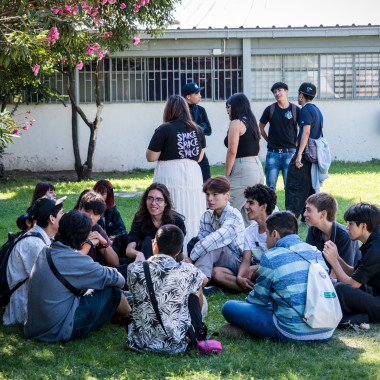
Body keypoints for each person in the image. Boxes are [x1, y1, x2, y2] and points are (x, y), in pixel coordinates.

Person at [221, 211, 335, 343]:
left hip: (292, 331)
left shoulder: (271, 256)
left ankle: (249, 330)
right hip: (325, 328)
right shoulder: (315, 252)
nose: (265, 240)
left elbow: (259, 300)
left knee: (229, 307)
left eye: (266, 235)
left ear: (274, 234)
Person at [24, 210, 130, 342]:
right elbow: (119, 280)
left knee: (97, 285)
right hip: (56, 331)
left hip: (34, 328)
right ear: (84, 237)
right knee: (113, 291)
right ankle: (131, 315)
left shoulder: (46, 250)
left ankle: (127, 305)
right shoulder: (75, 261)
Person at [127, 224, 207, 353]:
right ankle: (198, 329)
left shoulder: (134, 269)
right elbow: (204, 281)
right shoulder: (188, 270)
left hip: (140, 342)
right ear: (178, 251)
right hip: (176, 344)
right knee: (196, 290)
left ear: (155, 245)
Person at [146, 95, 206, 252]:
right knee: (192, 211)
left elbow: (151, 157)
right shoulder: (197, 129)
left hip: (170, 172)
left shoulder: (164, 129)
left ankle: (168, 250)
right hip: (193, 174)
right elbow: (200, 156)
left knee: (169, 208)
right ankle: (192, 251)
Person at [3, 196, 65, 325]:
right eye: (61, 214)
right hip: (24, 311)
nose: (64, 217)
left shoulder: (39, 237)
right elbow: (50, 282)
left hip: (29, 301)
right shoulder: (35, 244)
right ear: (51, 218)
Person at [212, 184, 277, 292]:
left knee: (257, 272)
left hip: (270, 270)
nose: (246, 206)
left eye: (251, 203)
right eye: (247, 202)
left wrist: (256, 268)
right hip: (252, 273)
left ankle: (252, 288)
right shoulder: (250, 231)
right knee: (217, 273)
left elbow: (279, 259)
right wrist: (240, 277)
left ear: (264, 207)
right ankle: (252, 289)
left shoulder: (277, 228)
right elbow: (246, 260)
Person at [322, 203, 380, 322]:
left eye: (351, 224)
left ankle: (361, 316)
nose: (347, 227)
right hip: (375, 292)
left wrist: (334, 262)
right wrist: (338, 257)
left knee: (340, 289)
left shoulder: (376, 248)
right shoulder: (372, 241)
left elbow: (352, 284)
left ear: (363, 226)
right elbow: (354, 273)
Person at [184, 176, 245, 283]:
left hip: (236, 261)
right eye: (207, 194)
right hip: (215, 258)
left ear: (227, 195)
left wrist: (192, 257)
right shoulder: (207, 215)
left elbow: (215, 240)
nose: (210, 199)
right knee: (197, 242)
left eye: (215, 194)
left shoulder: (234, 215)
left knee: (213, 246)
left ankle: (198, 281)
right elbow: (202, 239)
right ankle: (200, 279)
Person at [224, 93, 264, 227]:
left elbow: (232, 151)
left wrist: (227, 174)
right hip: (256, 166)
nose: (227, 110)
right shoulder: (253, 123)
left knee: (227, 208)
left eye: (228, 106)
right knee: (249, 213)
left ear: (235, 106)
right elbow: (258, 150)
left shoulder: (236, 123)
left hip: (243, 169)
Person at [285, 82, 323, 220]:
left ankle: (291, 217)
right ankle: (307, 218)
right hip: (312, 157)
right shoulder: (317, 110)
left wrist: (299, 154)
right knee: (308, 187)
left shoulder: (305, 110)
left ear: (301, 95)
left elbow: (306, 133)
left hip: (305, 155)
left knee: (294, 185)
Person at [126, 183, 186, 262]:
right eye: (150, 198)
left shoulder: (177, 222)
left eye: (159, 199)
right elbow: (129, 250)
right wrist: (138, 254)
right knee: (148, 241)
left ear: (166, 203)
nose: (153, 203)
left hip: (167, 263)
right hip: (144, 262)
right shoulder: (140, 218)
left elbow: (178, 253)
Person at [304, 193, 361, 273]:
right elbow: (309, 259)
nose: (304, 214)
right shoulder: (313, 229)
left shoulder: (345, 236)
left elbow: (341, 274)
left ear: (323, 214)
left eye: (308, 210)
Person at [259, 82, 300, 190]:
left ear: (286, 91)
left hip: (290, 153)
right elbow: (261, 127)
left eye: (279, 90)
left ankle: (290, 208)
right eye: (275, 92)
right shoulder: (270, 109)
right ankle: (270, 207)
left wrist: (296, 143)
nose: (277, 93)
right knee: (270, 187)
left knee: (290, 186)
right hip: (273, 153)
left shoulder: (295, 110)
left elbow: (304, 129)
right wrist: (269, 140)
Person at [78, 191, 119, 267]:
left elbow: (115, 263)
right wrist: (89, 243)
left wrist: (104, 243)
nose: (90, 217)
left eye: (95, 214)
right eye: (87, 211)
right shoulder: (70, 225)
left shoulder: (97, 229)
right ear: (80, 208)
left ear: (99, 216)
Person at [183, 82, 212, 183]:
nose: (200, 96)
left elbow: (209, 130)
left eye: (199, 93)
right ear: (188, 96)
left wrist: (194, 127)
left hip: (200, 150)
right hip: (183, 151)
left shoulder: (201, 110)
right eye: (196, 94)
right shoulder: (180, 111)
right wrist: (200, 126)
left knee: (207, 180)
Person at [93, 179, 128, 256]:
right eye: (97, 192)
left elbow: (122, 230)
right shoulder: (90, 210)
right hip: (96, 244)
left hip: (111, 244)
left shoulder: (113, 211)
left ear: (108, 195)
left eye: (103, 194)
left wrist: (115, 237)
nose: (99, 196)